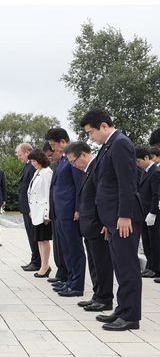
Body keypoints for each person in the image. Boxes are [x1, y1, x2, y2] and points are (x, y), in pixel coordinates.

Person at [80, 109, 142, 331]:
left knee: (127, 267)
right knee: (119, 265)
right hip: (113, 219)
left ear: (104, 126)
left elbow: (127, 182)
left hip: (124, 218)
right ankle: (122, 308)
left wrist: (124, 216)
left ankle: (130, 316)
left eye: (91, 132)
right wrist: (108, 221)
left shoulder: (120, 143)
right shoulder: (109, 145)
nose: (90, 138)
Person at [65, 141, 114, 312]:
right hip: (89, 226)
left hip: (98, 225)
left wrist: (106, 222)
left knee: (102, 264)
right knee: (94, 264)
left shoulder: (97, 168)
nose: (73, 164)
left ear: (84, 155)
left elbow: (103, 197)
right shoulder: (86, 171)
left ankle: (105, 298)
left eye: (74, 161)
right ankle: (97, 294)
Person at [46, 128, 86, 297]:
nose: (53, 149)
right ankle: (69, 281)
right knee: (67, 249)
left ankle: (77, 285)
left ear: (63, 141)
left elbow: (79, 185)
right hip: (60, 211)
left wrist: (78, 208)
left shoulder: (73, 159)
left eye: (54, 145)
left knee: (74, 249)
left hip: (70, 211)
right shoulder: (62, 160)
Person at [43, 143, 69, 285]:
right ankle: (61, 272)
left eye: (51, 154)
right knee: (59, 246)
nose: (50, 158)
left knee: (66, 247)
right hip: (57, 211)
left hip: (65, 211)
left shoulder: (68, 162)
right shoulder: (59, 164)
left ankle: (67, 276)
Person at [27, 149, 53, 278]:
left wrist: (47, 214)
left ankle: (45, 266)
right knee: (39, 240)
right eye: (31, 161)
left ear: (40, 160)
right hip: (36, 211)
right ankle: (44, 265)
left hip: (43, 213)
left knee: (44, 239)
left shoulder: (47, 172)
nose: (32, 163)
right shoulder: (38, 172)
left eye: (34, 161)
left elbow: (48, 193)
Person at [135, 147, 160, 279]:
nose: (137, 164)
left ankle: (156, 268)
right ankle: (150, 266)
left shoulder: (155, 172)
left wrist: (153, 212)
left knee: (154, 242)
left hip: (152, 214)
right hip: (143, 213)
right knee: (146, 241)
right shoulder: (145, 172)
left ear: (146, 158)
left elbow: (157, 194)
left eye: (139, 161)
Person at [16, 143, 39, 271]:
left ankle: (37, 261)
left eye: (20, 154)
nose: (18, 157)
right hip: (26, 208)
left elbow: (33, 189)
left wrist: (31, 208)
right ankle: (34, 259)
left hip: (30, 209)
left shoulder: (32, 167)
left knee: (34, 235)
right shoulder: (27, 166)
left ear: (27, 153)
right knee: (31, 236)